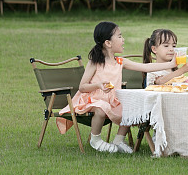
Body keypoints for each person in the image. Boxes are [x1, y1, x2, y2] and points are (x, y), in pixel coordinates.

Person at [57, 21, 176, 153]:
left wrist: (171, 64)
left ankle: (119, 140)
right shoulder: (95, 62)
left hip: (112, 100)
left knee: (130, 109)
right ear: (108, 43)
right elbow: (82, 87)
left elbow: (146, 67)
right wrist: (98, 85)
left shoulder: (120, 61)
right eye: (119, 36)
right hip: (92, 100)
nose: (123, 39)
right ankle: (95, 139)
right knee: (101, 108)